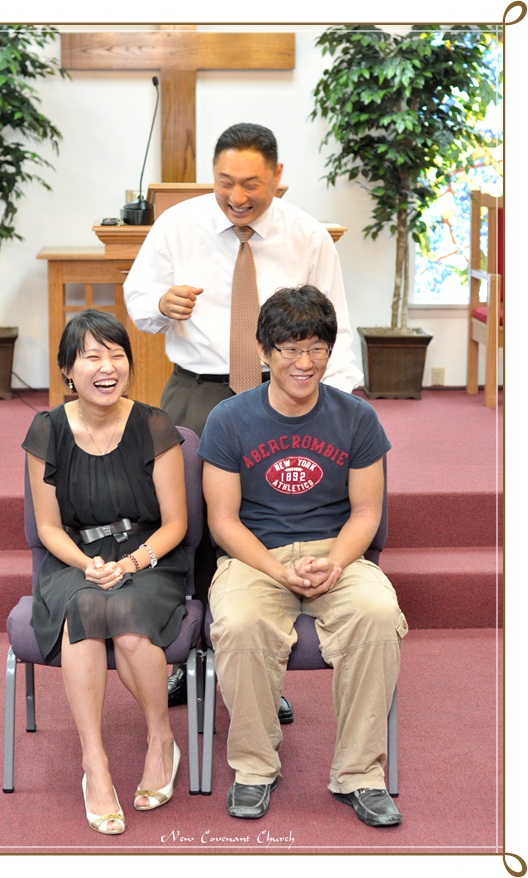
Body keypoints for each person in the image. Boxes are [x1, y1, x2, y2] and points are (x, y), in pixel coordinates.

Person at [124, 121, 363, 715]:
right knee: (186, 523)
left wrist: (340, 411)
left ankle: (261, 669)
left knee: (259, 521)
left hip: (282, 399)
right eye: (225, 181)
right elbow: (137, 297)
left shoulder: (307, 235)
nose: (236, 196)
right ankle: (185, 655)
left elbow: (334, 327)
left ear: (278, 176)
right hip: (197, 392)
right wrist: (161, 304)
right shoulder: (178, 224)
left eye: (251, 184)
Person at [197, 286, 408, 826]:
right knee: (239, 622)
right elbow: (223, 521)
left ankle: (360, 774)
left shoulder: (357, 418)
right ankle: (254, 767)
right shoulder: (228, 418)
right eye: (290, 349)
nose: (304, 362)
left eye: (316, 348)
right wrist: (277, 569)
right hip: (256, 556)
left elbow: (366, 513)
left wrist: (335, 563)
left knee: (378, 613)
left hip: (336, 552)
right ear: (264, 352)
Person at [22, 309, 189, 835]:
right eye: (92, 356)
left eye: (117, 355)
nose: (107, 367)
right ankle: (94, 762)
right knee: (87, 607)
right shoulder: (47, 429)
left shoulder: (154, 424)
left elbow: (176, 523)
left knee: (131, 617)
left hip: (149, 554)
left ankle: (161, 740)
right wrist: (88, 564)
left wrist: (133, 562)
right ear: (68, 370)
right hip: (76, 557)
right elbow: (48, 527)